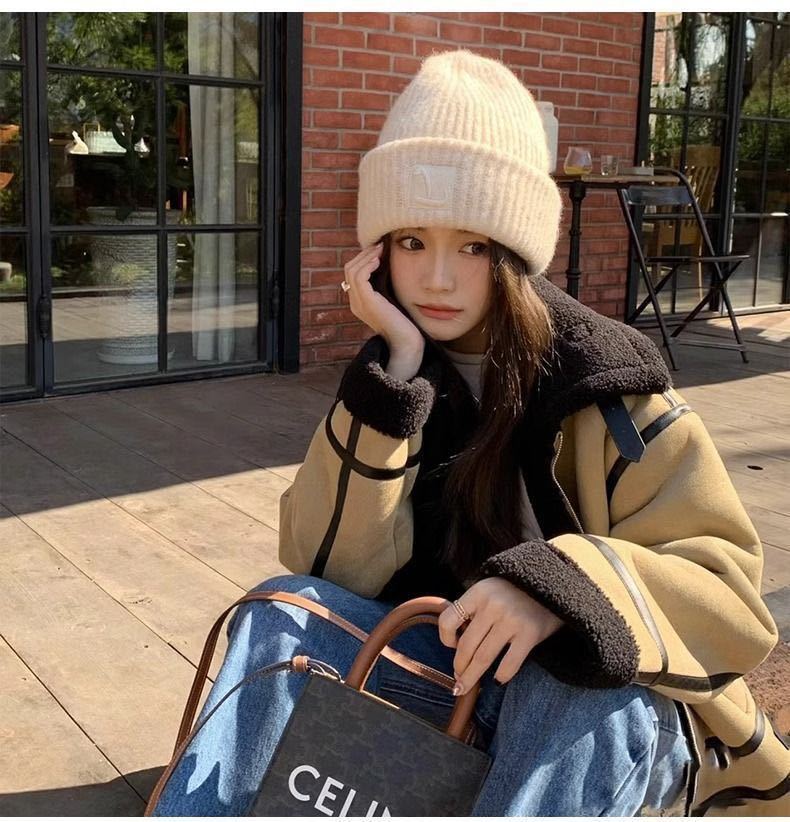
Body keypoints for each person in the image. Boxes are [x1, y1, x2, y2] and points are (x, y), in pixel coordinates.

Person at [150, 49, 789, 816]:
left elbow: (732, 600)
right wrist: (395, 378)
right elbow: (327, 568)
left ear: (513, 250)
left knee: (571, 687)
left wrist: (558, 591)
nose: (438, 278)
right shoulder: (397, 377)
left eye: (473, 245)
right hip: (459, 676)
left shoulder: (609, 388)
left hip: (615, 715)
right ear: (378, 252)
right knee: (282, 615)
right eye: (412, 241)